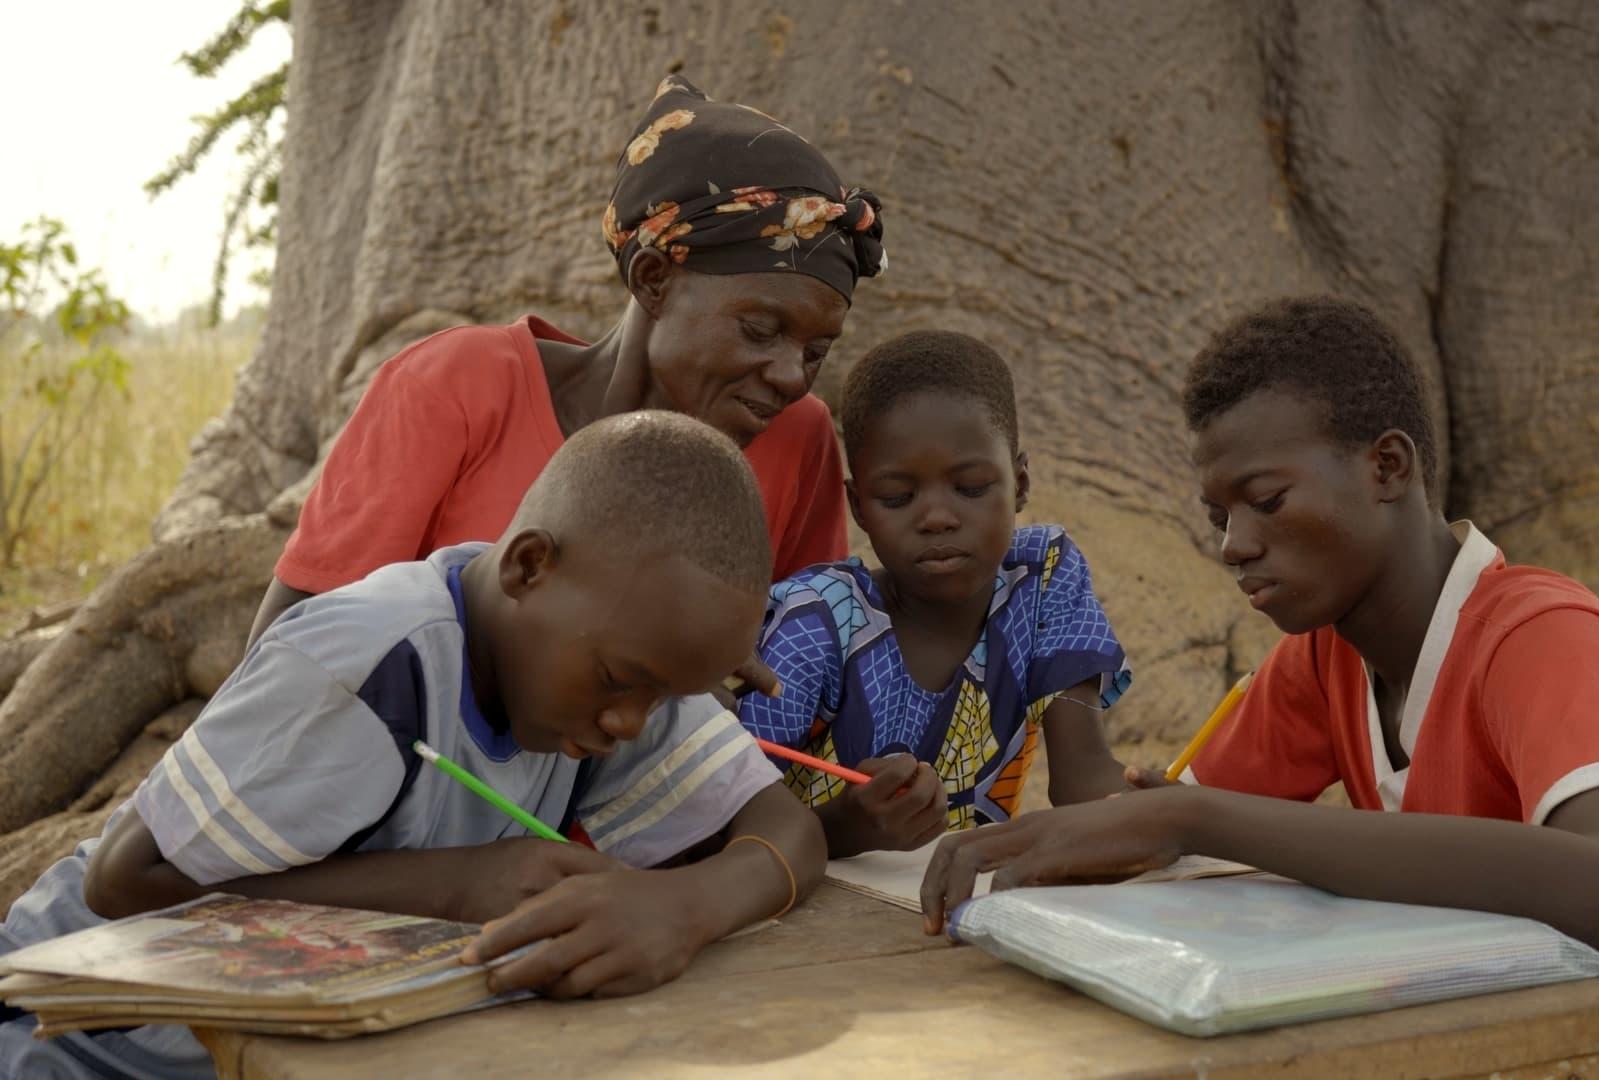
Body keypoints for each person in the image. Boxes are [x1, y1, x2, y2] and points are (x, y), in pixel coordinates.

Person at [918, 298, 1599, 1078]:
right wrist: (1103, 830)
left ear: (1388, 467)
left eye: (1267, 500)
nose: (1234, 542)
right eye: (1218, 514)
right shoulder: (1323, 661)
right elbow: (1168, 833)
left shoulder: (1541, 638)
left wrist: (1191, 823)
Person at [0, 412, 826, 1079]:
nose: (632, 725)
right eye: (623, 683)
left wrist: (683, 910)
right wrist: (461, 884)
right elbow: (124, 880)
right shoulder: (370, 663)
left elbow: (790, 831)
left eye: (664, 698)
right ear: (530, 567)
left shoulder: (618, 651)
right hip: (73, 1037)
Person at [247, 73, 888, 668]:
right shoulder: (459, 387)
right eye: (760, 330)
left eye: (815, 352)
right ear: (654, 280)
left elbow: (803, 663)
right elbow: (292, 645)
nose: (789, 376)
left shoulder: (797, 439)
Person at [737, 331, 1132, 857]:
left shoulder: (1041, 575)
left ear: (1020, 482)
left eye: (970, 488)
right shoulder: (817, 622)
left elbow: (1082, 778)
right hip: (806, 913)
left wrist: (1169, 814)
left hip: (956, 913)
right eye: (898, 497)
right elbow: (720, 821)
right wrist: (846, 827)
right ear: (858, 506)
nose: (938, 517)